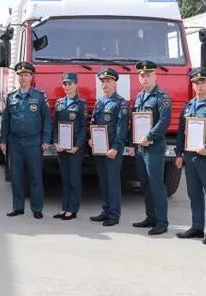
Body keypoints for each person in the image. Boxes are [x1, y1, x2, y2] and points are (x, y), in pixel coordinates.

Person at [175, 67, 206, 245]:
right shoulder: (188, 107)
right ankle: (197, 227)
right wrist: (178, 153)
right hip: (190, 157)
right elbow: (181, 132)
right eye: (196, 82)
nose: (199, 85)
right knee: (193, 193)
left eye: (203, 82)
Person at [0, 61, 51, 219]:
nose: (23, 78)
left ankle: (37, 208)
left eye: (26, 75)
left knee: (35, 176)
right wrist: (3, 141)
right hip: (15, 142)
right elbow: (6, 121)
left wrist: (46, 139)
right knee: (16, 176)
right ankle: (18, 207)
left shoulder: (40, 97)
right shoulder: (11, 97)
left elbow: (47, 120)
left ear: (31, 76)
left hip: (34, 142)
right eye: (20, 75)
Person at [131, 60, 172, 236]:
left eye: (148, 75)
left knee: (156, 184)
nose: (145, 78)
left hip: (154, 147)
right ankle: (150, 217)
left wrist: (149, 137)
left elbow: (164, 121)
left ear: (155, 75)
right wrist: (135, 142)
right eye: (142, 75)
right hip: (141, 147)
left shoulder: (162, 97)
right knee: (145, 184)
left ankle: (162, 221)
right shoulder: (140, 97)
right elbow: (136, 120)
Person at [89, 67, 129, 227]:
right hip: (99, 148)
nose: (105, 85)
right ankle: (105, 211)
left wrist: (116, 147)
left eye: (108, 81)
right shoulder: (100, 102)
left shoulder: (120, 103)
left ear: (115, 83)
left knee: (112, 182)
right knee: (103, 181)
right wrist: (92, 139)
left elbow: (122, 129)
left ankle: (114, 214)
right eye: (103, 82)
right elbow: (93, 122)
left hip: (112, 149)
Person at [53, 72, 87, 220]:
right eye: (65, 84)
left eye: (70, 84)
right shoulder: (59, 103)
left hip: (74, 148)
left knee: (74, 179)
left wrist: (77, 146)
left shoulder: (81, 104)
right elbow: (55, 125)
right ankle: (64, 207)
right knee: (65, 179)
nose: (67, 87)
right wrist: (56, 142)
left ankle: (73, 209)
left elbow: (83, 128)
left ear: (76, 84)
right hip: (62, 147)